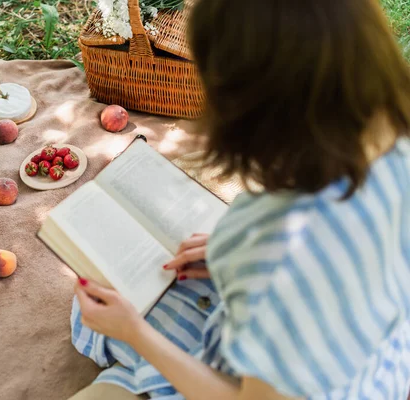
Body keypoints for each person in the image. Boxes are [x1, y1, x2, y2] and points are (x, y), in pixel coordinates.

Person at [69, 0, 410, 399]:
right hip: (379, 360)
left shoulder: (275, 248)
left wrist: (136, 334)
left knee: (100, 322)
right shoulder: (396, 140)